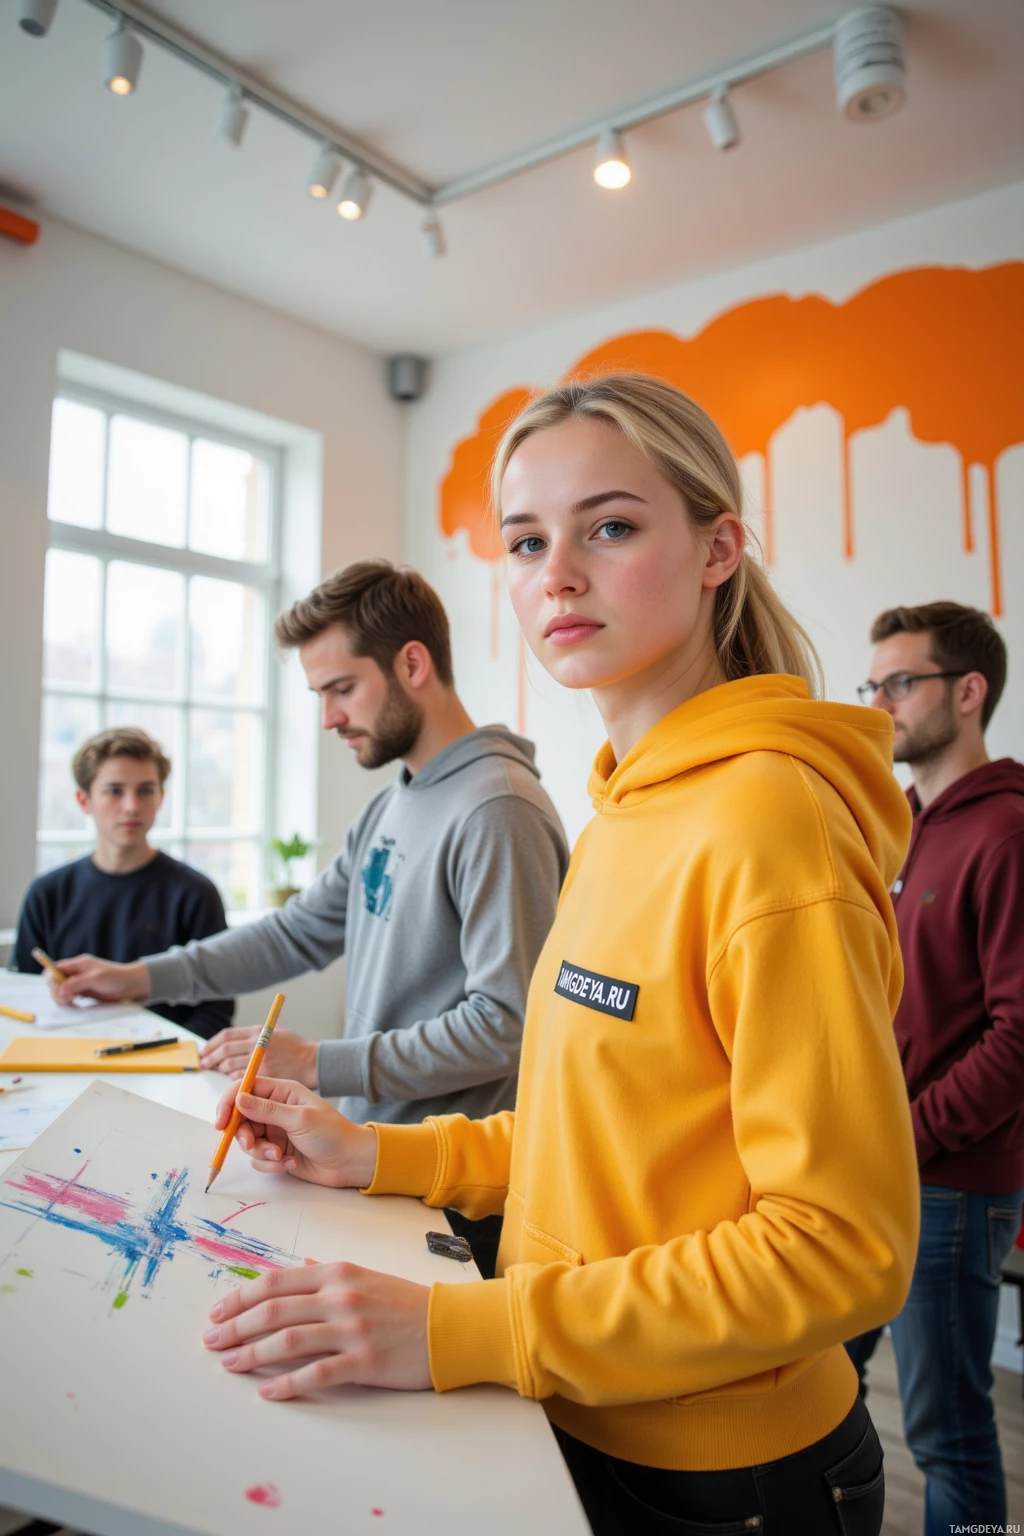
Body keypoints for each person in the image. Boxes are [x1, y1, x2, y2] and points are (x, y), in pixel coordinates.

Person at [197, 376, 920, 1536]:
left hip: (725, 1475)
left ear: (717, 548)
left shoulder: (766, 823)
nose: (557, 575)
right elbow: (603, 1131)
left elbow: (844, 1252)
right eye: (527, 541)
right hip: (581, 1407)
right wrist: (376, 1155)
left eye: (612, 527)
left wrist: (464, 1330)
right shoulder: (624, 810)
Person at [51, 561, 569, 1278]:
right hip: (370, 1158)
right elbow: (296, 932)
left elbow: (507, 1027)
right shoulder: (396, 802)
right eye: (320, 693)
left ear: (412, 664)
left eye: (341, 688)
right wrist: (136, 976)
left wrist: (317, 1062)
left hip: (450, 1190)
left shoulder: (497, 810)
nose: (328, 717)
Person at [846, 601, 1024, 1536]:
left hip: (948, 1187)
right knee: (823, 1388)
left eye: (900, 684)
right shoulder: (904, 826)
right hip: (875, 1178)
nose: (880, 706)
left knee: (948, 1433)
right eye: (871, 686)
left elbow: (1018, 1038)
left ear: (968, 690)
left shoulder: (1006, 833)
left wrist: (902, 1139)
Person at [15, 726, 233, 1042]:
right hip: (64, 1059)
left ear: (161, 797)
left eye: (145, 790)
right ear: (83, 800)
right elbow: (22, 997)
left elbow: (216, 1010)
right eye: (114, 791)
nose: (131, 806)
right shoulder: (47, 893)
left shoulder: (195, 894)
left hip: (166, 1070)